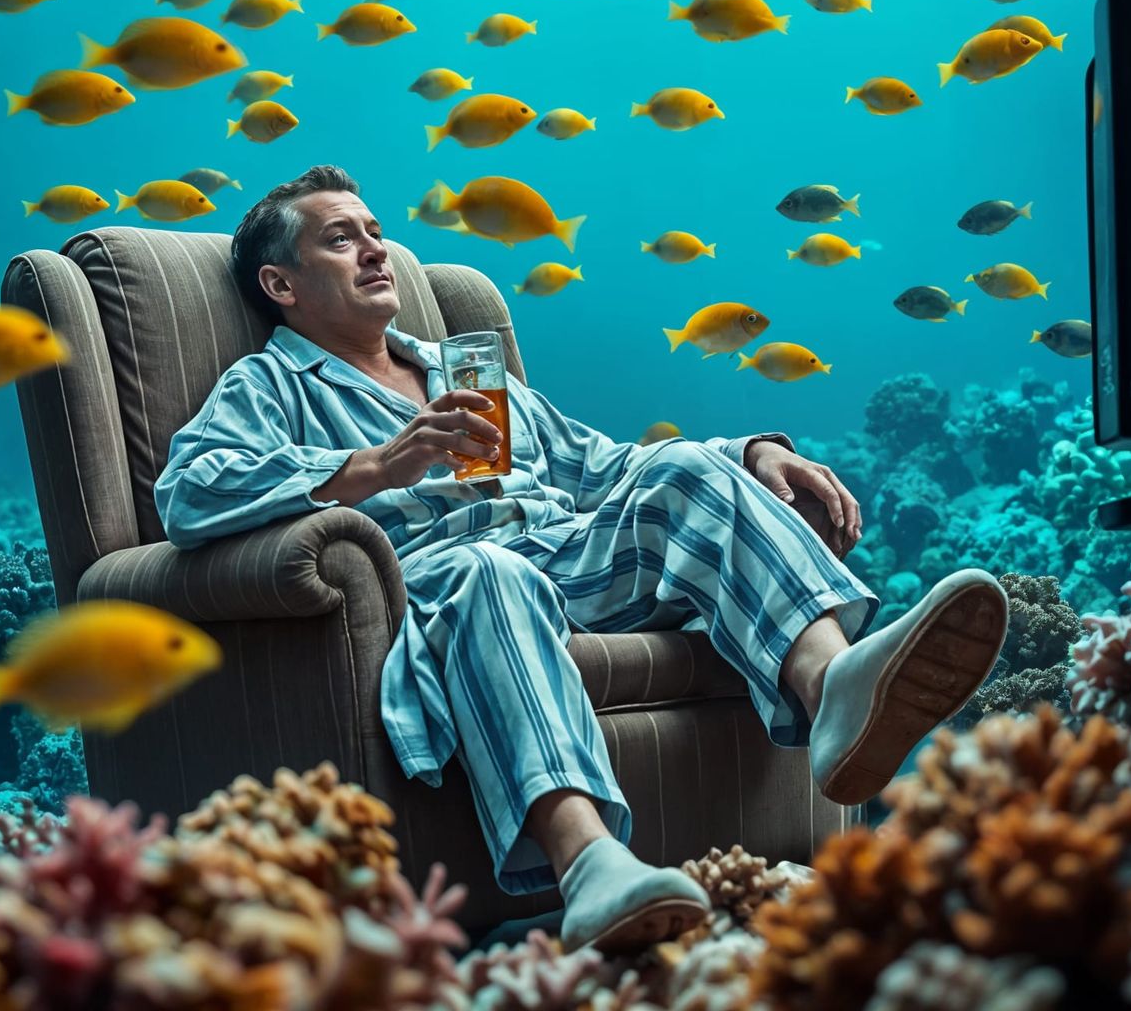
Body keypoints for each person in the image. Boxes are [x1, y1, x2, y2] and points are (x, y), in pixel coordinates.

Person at [154, 164, 1010, 955]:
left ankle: (836, 691)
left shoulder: (463, 368)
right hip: (451, 584)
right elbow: (189, 492)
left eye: (376, 230)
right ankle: (593, 867)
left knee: (680, 466)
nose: (377, 248)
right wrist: (381, 464)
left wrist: (751, 454)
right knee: (493, 568)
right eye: (341, 237)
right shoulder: (267, 386)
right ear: (281, 284)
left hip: (572, 557)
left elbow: (606, 466)